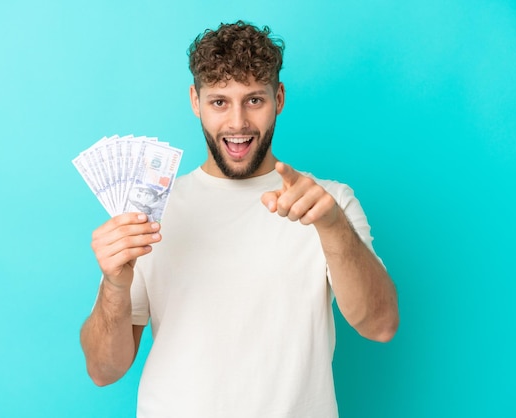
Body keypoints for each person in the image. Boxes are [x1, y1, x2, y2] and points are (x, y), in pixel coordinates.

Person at [80, 20, 399, 418]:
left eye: (253, 100)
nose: (237, 123)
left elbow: (381, 325)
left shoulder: (329, 202)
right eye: (219, 102)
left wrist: (332, 226)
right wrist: (114, 283)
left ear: (278, 98)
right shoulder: (153, 209)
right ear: (195, 101)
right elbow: (103, 370)